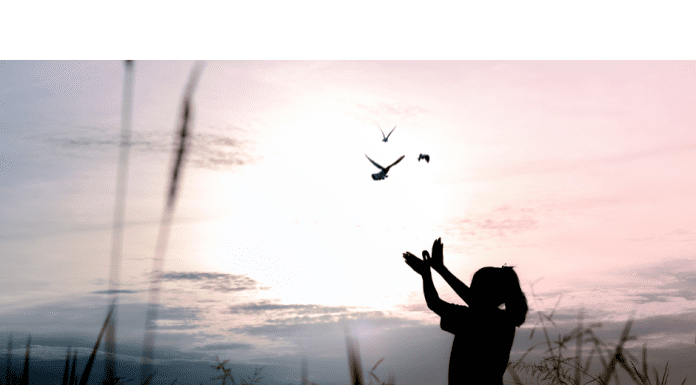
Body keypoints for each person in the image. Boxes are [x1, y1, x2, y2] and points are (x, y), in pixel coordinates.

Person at [403, 238, 528, 385]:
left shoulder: (493, 320)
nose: (471, 290)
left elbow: (437, 303)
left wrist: (434, 271)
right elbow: (436, 303)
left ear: (488, 293)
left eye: (475, 287)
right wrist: (430, 272)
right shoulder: (502, 321)